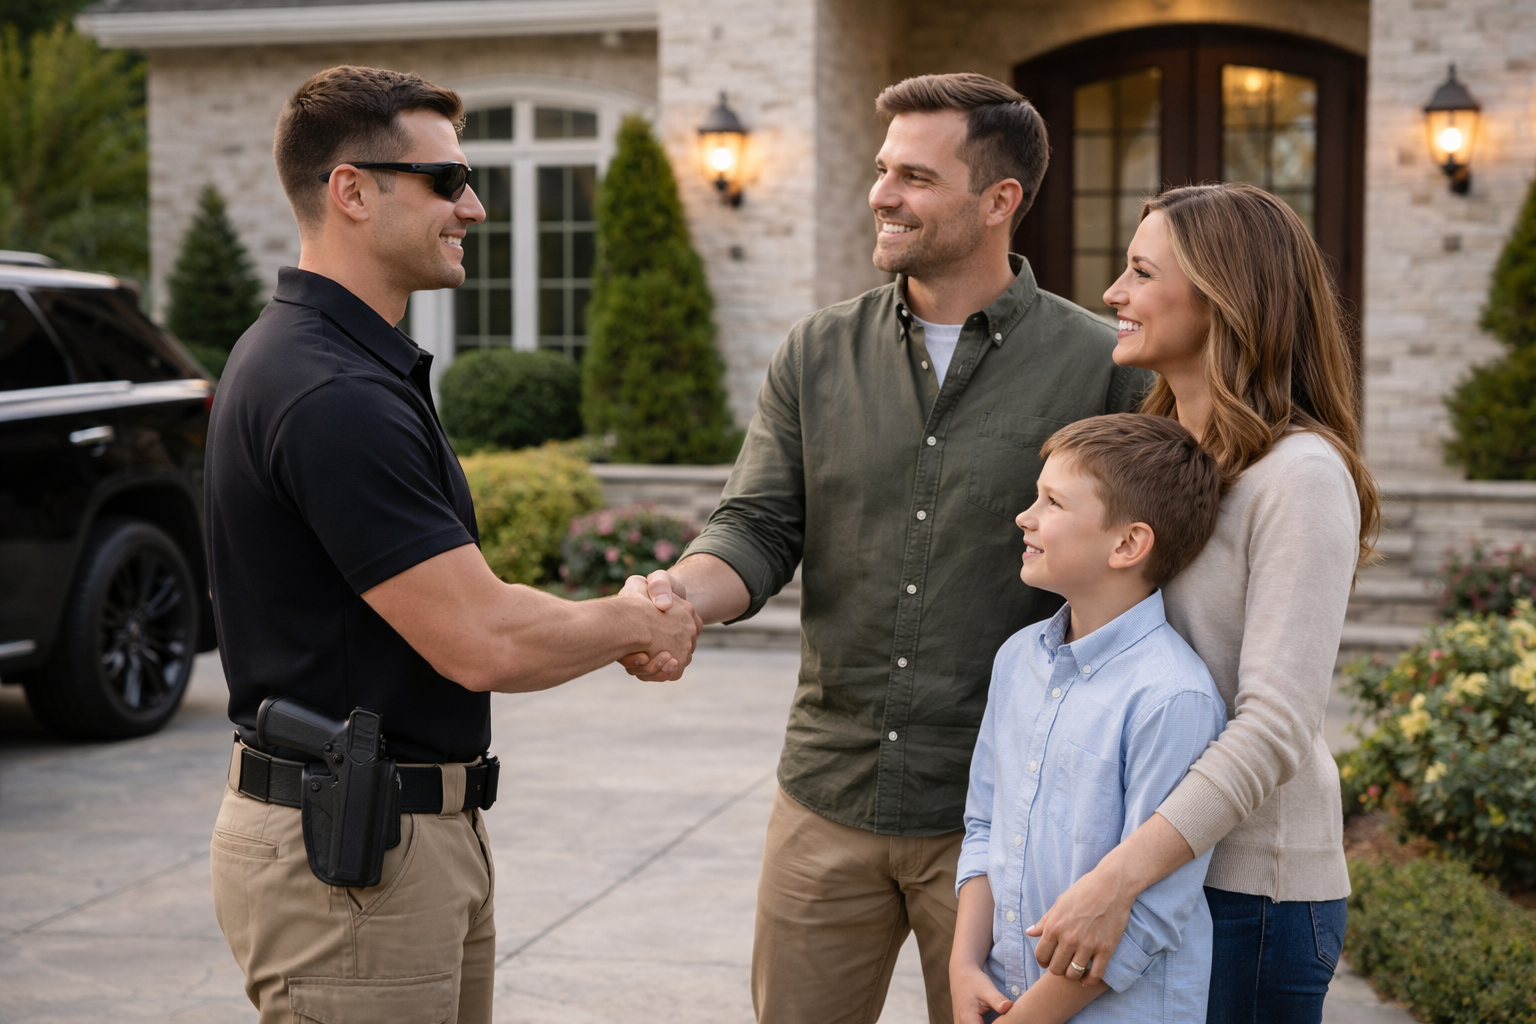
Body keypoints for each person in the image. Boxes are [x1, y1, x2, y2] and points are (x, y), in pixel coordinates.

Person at [631, 73, 1153, 1024]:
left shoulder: (1100, 366)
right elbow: (756, 526)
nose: (882, 194)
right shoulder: (816, 353)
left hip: (1004, 819)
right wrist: (673, 601)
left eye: (915, 175)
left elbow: (1136, 576)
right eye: (882, 170)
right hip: (826, 795)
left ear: (999, 201)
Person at [204, 66, 700, 1024]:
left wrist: (618, 618)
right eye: (445, 180)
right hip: (353, 865)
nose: (472, 206)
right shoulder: (331, 393)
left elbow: (464, 594)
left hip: (392, 839)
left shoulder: (336, 362)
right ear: (352, 189)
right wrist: (639, 619)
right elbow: (482, 640)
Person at [1024, 182, 1380, 1024]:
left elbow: (1275, 725)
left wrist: (1119, 877)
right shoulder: (1166, 460)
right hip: (1154, 873)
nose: (1113, 294)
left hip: (1247, 895)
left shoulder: (1299, 477)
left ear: (1225, 300)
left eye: (1141, 272)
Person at [950, 413, 1226, 1024]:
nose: (1025, 516)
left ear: (1127, 544)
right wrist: (964, 965)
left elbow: (1151, 907)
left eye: (1052, 502)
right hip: (1004, 994)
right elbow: (984, 825)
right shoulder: (1017, 658)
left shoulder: (1173, 697)